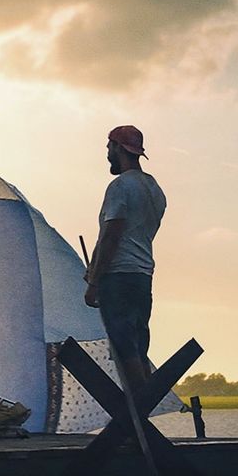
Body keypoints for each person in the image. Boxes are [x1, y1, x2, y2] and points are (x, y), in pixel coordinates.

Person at [83, 125, 167, 391]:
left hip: (117, 276)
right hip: (142, 276)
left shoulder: (120, 186)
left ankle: (138, 411)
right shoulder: (155, 190)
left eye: (109, 147)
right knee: (138, 343)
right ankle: (140, 412)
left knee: (122, 343)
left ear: (118, 148)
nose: (107, 153)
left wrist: (94, 281)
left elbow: (112, 235)